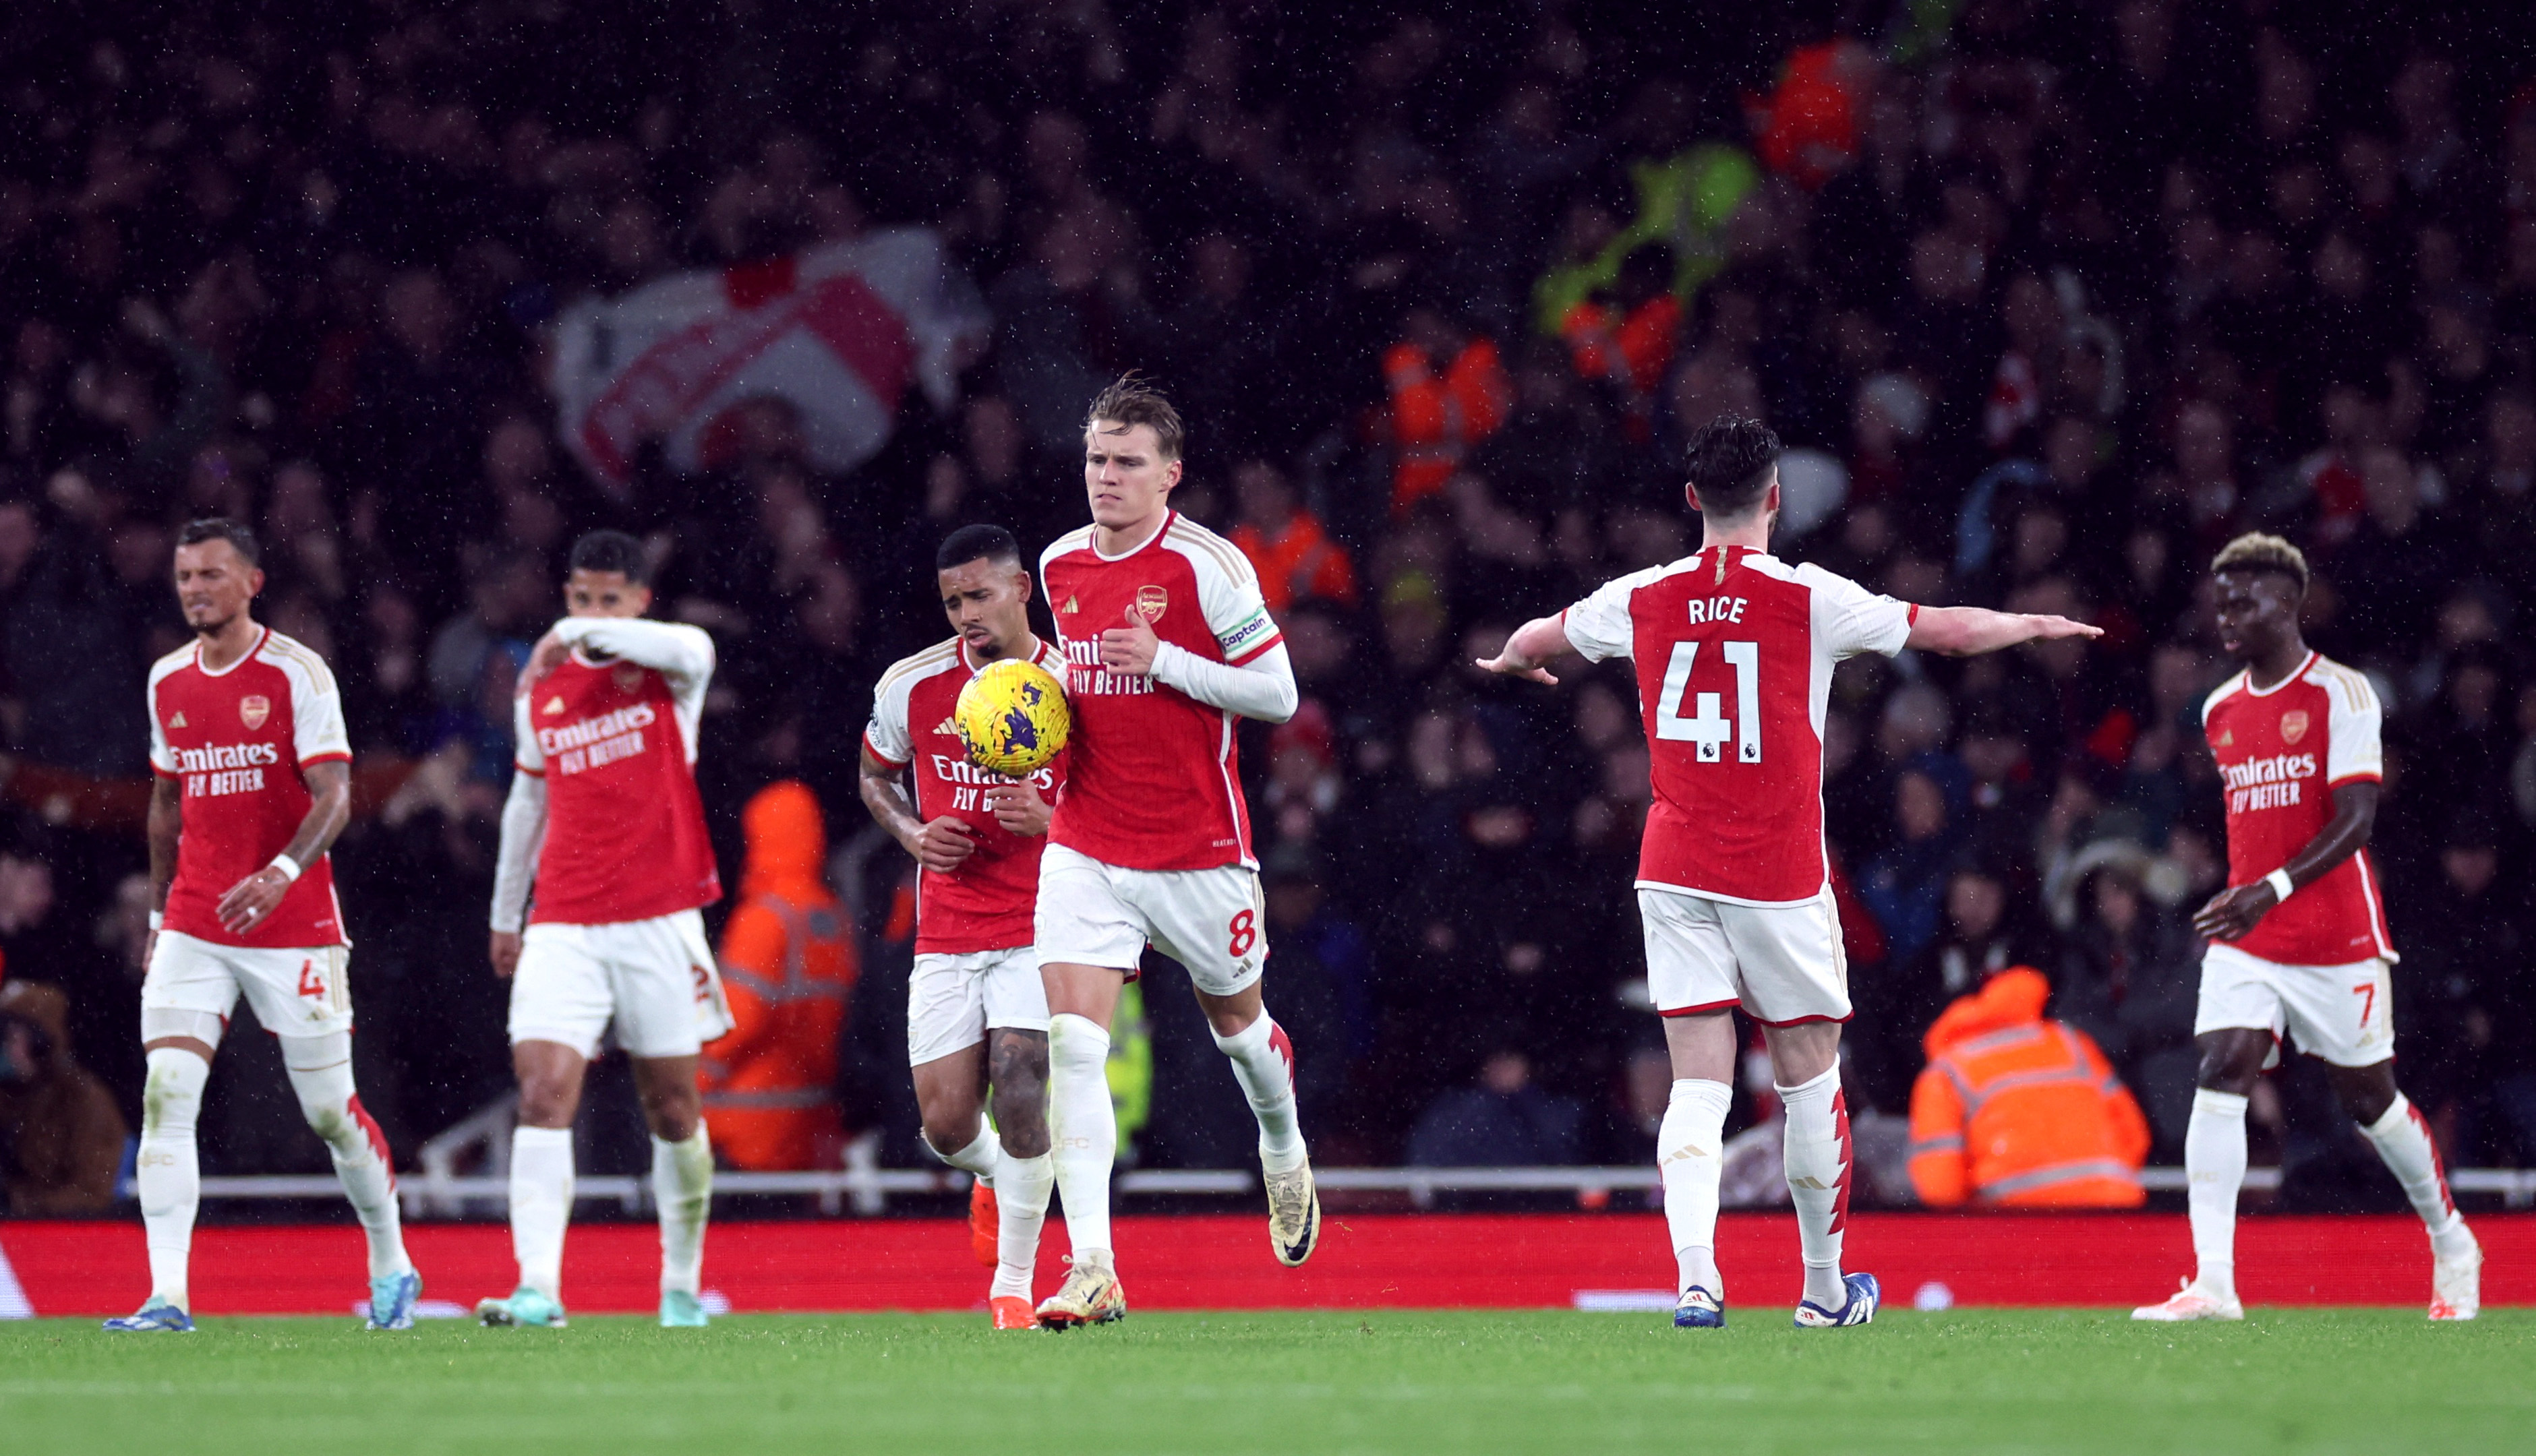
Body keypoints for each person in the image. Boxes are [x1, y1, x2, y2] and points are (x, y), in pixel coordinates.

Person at [1477, 417, 2099, 1330]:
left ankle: (1696, 1278)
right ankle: (1821, 1288)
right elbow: (1947, 634)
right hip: (1776, 872)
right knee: (1809, 1079)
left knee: (1696, 1083)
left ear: (1692, 500)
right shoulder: (1809, 597)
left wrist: (1513, 660)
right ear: (1774, 498)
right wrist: (2032, 623)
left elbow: (1542, 635)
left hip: (1676, 868)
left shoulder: (1644, 595)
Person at [2133, 533, 2481, 1323]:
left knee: (2370, 1102)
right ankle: (2213, 1284)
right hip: (2248, 934)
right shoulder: (2219, 711)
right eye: (2218, 598)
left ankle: (2451, 1237)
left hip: (2334, 938)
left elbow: (2357, 820)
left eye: (2243, 598)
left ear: (2288, 602)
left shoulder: (2342, 694)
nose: (2226, 613)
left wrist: (2273, 888)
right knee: (2221, 1069)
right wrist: (2246, 899)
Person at [1030, 377, 1314, 1329]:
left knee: (1242, 1037)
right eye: (1095, 460)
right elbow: (1074, 690)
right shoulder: (1059, 564)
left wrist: (1164, 663)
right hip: (1087, 843)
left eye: (1126, 463)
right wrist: (1036, 745)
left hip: (1197, 849)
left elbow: (1276, 693)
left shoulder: (1209, 567)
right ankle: (1094, 1268)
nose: (1104, 478)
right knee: (1073, 1046)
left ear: (1170, 475)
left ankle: (1281, 1143)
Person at [114, 518, 419, 1333]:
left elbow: (336, 797)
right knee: (166, 1094)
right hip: (195, 919)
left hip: (295, 924)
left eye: (211, 576)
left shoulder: (297, 673)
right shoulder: (166, 680)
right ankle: (167, 1297)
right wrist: (156, 912)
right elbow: (165, 804)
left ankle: (390, 1257)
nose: (193, 590)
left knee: (329, 1113)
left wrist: (281, 873)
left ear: (252, 583)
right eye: (184, 577)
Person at [481, 530, 730, 1330]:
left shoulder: (670, 667)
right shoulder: (541, 690)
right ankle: (537, 1290)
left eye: (607, 600)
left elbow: (694, 642)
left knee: (673, 1111)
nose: (590, 614)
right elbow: (527, 803)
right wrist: (504, 913)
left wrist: (571, 633)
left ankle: (682, 1285)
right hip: (564, 921)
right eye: (578, 598)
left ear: (637, 600)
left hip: (658, 920)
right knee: (543, 1093)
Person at [859, 523, 1067, 1329]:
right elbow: (875, 774)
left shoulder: (1071, 682)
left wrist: (1051, 819)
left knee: (1020, 1082)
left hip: (1044, 922)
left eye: (979, 595)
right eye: (952, 601)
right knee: (946, 1126)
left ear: (1021, 589)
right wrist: (913, 833)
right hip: (947, 931)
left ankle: (1011, 1288)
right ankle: (988, 1177)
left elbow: (1120, 800)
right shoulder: (910, 684)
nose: (965, 614)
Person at [701, 780, 857, 1174]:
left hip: (745, 1128)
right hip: (809, 1122)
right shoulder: (831, 918)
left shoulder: (764, 919)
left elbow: (738, 1021)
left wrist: (689, 1083)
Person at [1906, 965, 2149, 1207]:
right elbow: (2135, 1136)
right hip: (2113, 1211)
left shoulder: (1947, 1071)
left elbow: (1940, 1188)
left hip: (2016, 1222)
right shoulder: (2071, 1043)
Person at [0, 978, 129, 1215]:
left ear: (40, 1044)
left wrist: (25, 1203)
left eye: (13, 1038)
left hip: (57, 1230)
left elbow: (92, 1194)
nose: (6, 1048)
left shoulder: (85, 1101)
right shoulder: (9, 1097)